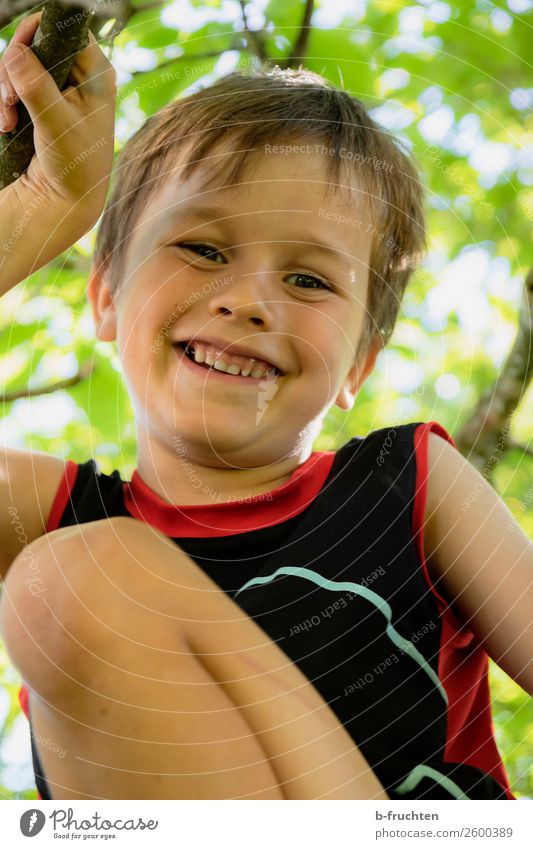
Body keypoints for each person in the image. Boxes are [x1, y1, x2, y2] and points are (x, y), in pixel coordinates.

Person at [0, 11, 531, 802]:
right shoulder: (49, 516)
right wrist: (45, 203)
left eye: (310, 280)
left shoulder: (411, 485)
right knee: (68, 580)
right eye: (203, 250)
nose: (247, 301)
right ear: (106, 293)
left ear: (359, 361)